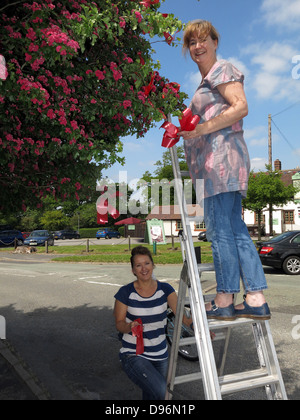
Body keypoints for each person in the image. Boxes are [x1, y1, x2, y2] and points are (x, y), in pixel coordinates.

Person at [179, 20, 270, 321]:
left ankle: (224, 297)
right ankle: (255, 297)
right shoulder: (205, 83)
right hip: (219, 164)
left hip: (219, 163)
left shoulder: (222, 70)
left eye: (204, 39)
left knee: (220, 232)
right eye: (192, 42)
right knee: (234, 229)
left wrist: (202, 127)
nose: (198, 46)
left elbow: (240, 106)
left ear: (216, 42)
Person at [114, 246, 191, 400]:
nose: (144, 268)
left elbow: (182, 315)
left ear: (153, 265)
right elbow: (119, 323)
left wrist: (200, 328)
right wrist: (129, 327)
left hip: (160, 354)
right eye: (138, 265)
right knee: (163, 393)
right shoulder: (125, 292)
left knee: (151, 396)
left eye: (147, 263)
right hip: (134, 354)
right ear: (133, 270)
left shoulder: (165, 289)